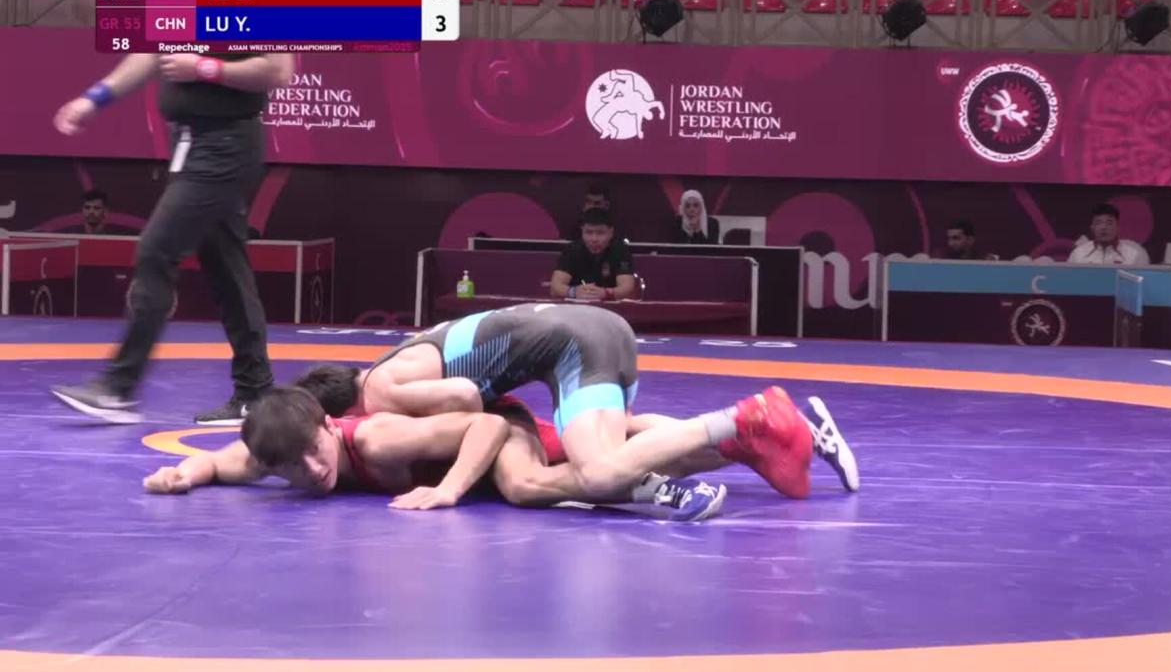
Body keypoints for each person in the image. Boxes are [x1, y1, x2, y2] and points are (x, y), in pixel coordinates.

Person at [48, 0, 293, 426]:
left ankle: (118, 388)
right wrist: (95, 98)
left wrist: (205, 67)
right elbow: (147, 53)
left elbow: (278, 69)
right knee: (228, 272)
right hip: (192, 144)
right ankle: (255, 393)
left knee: (156, 250)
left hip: (225, 146)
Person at [293, 303, 821, 503]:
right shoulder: (395, 361)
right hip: (598, 331)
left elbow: (465, 396)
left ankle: (743, 418)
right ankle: (758, 441)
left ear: (343, 415)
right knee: (633, 447)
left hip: (576, 347)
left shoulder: (380, 390)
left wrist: (454, 449)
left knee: (599, 472)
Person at [142, 386, 731, 521]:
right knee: (623, 438)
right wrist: (180, 474)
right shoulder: (279, 450)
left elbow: (484, 425)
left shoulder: (374, 439)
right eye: (293, 469)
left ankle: (646, 480)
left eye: (315, 452)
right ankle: (745, 436)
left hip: (495, 431)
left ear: (327, 425)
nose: (313, 471)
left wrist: (448, 490)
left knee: (527, 485)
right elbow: (220, 461)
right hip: (473, 444)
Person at [550, 208, 637, 301]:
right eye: (589, 232)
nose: (594, 239)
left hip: (610, 306)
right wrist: (574, 292)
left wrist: (606, 293)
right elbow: (555, 288)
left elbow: (628, 289)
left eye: (600, 233)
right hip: (577, 305)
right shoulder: (572, 250)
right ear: (582, 231)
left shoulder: (620, 250)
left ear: (611, 232)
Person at [1066, 203, 1150, 266]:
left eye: (1109, 223)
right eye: (1098, 223)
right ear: (1092, 228)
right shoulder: (1078, 254)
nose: (1103, 227)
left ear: (1117, 227)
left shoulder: (1133, 255)